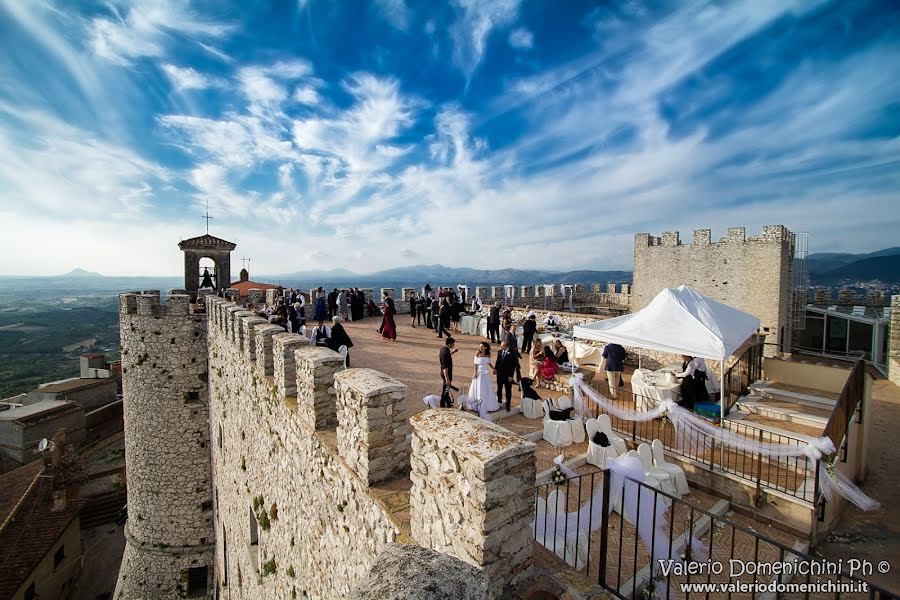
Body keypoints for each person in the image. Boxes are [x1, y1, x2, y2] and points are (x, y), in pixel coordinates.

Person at [468, 342, 500, 417]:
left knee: (486, 389)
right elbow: (475, 364)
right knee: (478, 389)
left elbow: (489, 363)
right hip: (479, 374)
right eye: (480, 346)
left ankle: (486, 405)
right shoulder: (477, 354)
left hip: (485, 374)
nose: (481, 348)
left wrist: (493, 368)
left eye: (482, 346)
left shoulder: (488, 354)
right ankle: (478, 405)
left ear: (486, 347)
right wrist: (474, 373)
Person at [495, 341, 519, 412]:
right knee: (499, 388)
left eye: (502, 346)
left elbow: (513, 366)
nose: (501, 347)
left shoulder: (512, 353)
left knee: (508, 390)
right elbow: (497, 362)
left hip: (507, 375)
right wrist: (495, 369)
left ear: (506, 346)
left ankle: (508, 405)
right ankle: (499, 401)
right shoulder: (499, 352)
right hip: (499, 374)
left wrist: (511, 376)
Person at [439, 337, 458, 408]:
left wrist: (453, 352)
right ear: (450, 344)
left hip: (445, 373)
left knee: (446, 389)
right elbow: (445, 367)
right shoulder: (445, 353)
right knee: (446, 389)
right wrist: (447, 379)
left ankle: (446, 402)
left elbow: (447, 356)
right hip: (446, 374)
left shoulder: (444, 349)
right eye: (453, 344)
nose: (454, 345)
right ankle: (443, 403)